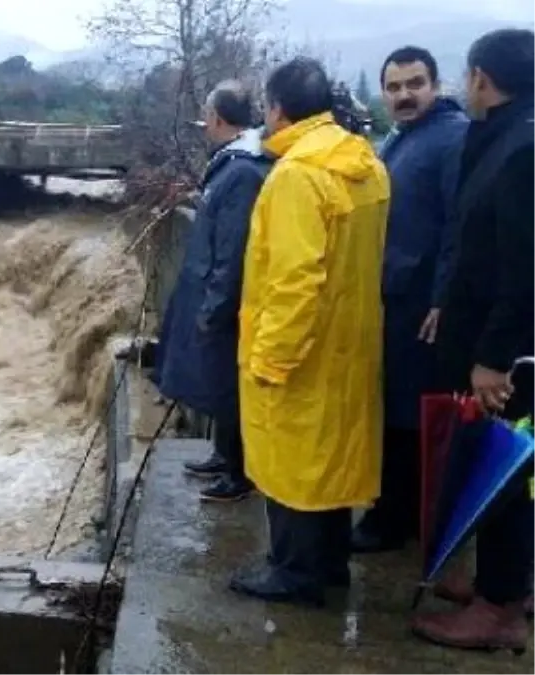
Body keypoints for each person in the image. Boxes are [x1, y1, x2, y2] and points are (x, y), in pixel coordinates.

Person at [228, 57, 390, 607]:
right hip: (352, 342)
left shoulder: (298, 175)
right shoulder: (364, 162)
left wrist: (271, 357)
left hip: (304, 349)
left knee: (293, 463)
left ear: (276, 109)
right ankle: (329, 563)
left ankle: (295, 572)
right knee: (332, 460)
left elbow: (295, 280)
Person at [412, 28, 535, 653]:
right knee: (505, 469)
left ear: (482, 79)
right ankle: (503, 584)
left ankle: (500, 607)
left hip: (511, 358)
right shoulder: (508, 136)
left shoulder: (524, 150)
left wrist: (493, 359)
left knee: (507, 476)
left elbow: (523, 268)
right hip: (493, 341)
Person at [352, 46, 469, 553]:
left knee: (409, 412)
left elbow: (457, 227)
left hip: (422, 306)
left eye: (414, 84)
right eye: (395, 87)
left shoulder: (451, 139)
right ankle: (396, 512)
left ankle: (395, 520)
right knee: (396, 406)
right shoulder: (401, 139)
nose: (404, 95)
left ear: (435, 85)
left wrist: (443, 298)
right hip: (395, 298)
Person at [155, 80, 272, 502]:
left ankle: (239, 474)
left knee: (230, 386)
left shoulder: (241, 171)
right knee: (220, 383)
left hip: (228, 302)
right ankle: (224, 456)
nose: (204, 123)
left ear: (217, 119)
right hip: (215, 294)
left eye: (206, 116)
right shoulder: (235, 161)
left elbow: (234, 249)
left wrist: (216, 306)